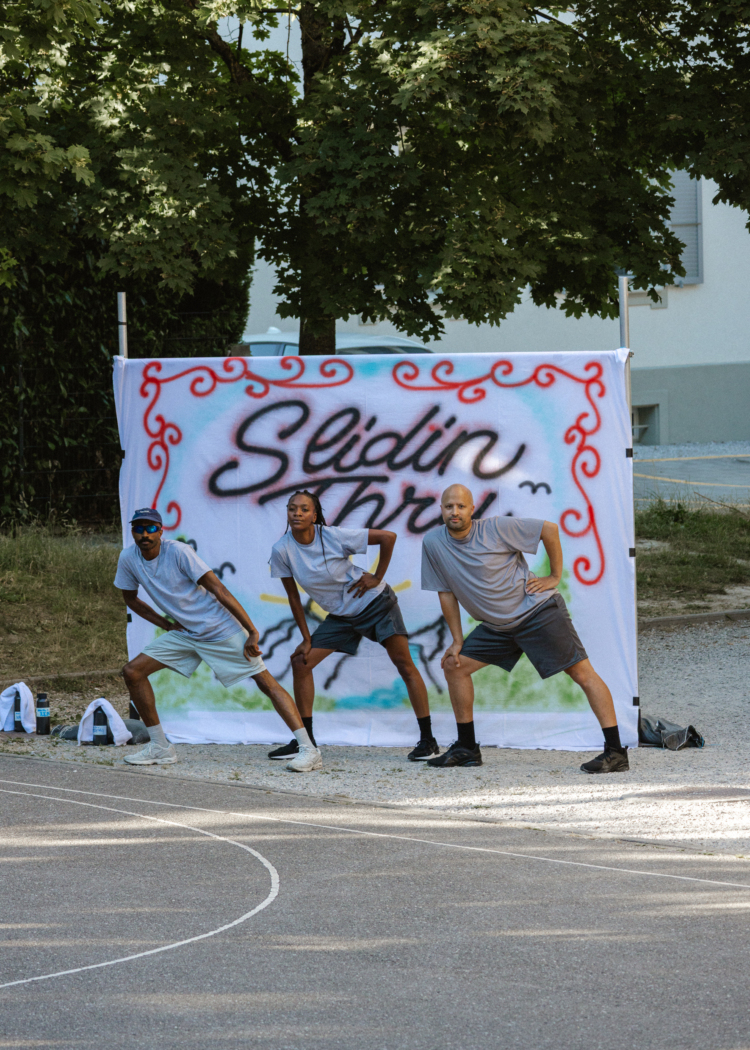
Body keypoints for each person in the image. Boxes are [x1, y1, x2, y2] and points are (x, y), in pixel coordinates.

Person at [421, 484, 629, 774]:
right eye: (448, 506)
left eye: (460, 506)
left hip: (537, 614)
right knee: (454, 665)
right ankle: (466, 747)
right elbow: (445, 592)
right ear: (441, 509)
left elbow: (549, 530)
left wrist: (554, 576)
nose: (454, 512)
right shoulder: (433, 543)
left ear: (472, 509)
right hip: (497, 627)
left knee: (582, 673)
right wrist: (457, 640)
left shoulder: (495, 528)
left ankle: (616, 752)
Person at [115, 508, 322, 772]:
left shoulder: (178, 552)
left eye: (151, 528)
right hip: (186, 633)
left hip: (218, 629)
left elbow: (218, 588)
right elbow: (131, 599)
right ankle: (160, 747)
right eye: (139, 529)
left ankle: (309, 749)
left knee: (265, 682)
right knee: (133, 672)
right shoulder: (128, 558)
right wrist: (166, 625)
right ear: (133, 532)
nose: (145, 534)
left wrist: (251, 630)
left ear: (160, 531)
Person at [268, 490, 439, 761]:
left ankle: (428, 741)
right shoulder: (282, 550)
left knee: (404, 664)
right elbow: (293, 596)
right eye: (292, 508)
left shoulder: (332, 536)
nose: (297, 513)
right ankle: (305, 741)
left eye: (304, 509)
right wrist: (306, 638)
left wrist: (377, 576)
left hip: (375, 603)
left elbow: (387, 537)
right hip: (342, 616)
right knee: (301, 662)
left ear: (314, 515)